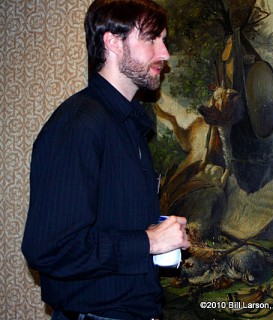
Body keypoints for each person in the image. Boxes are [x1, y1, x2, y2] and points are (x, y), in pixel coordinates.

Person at [22, 1, 190, 319]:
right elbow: (48, 247)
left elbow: (110, 225)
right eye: (152, 38)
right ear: (113, 41)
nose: (165, 53)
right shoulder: (80, 123)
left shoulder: (129, 127)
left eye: (163, 40)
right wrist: (147, 242)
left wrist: (156, 233)